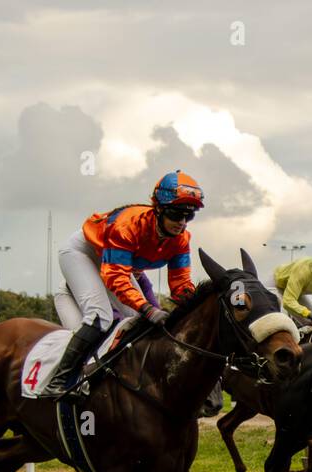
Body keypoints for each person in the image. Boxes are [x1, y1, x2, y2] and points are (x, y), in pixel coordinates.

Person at [41, 170, 204, 397]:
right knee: (100, 317)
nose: (182, 223)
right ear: (158, 208)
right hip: (82, 253)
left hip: (111, 262)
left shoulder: (181, 239)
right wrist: (147, 308)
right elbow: (115, 277)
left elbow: (180, 282)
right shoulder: (128, 225)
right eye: (177, 214)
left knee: (139, 323)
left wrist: (194, 307)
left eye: (189, 216)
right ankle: (59, 380)